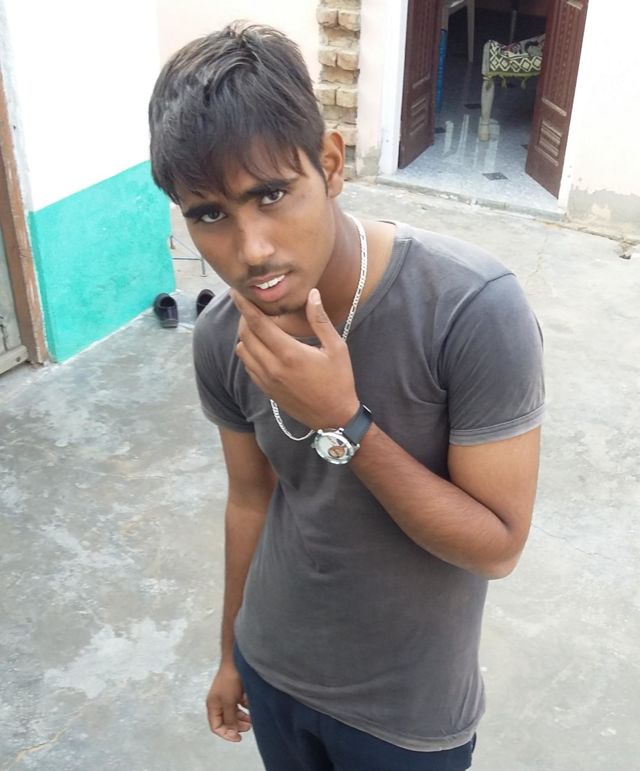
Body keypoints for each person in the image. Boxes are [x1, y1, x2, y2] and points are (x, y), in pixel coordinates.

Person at [148, 21, 544, 771]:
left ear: (330, 164)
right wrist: (230, 651)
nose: (252, 248)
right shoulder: (223, 335)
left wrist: (343, 421)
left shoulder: (471, 309)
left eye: (271, 194)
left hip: (406, 712)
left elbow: (498, 547)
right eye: (210, 214)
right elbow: (250, 499)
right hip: (273, 670)